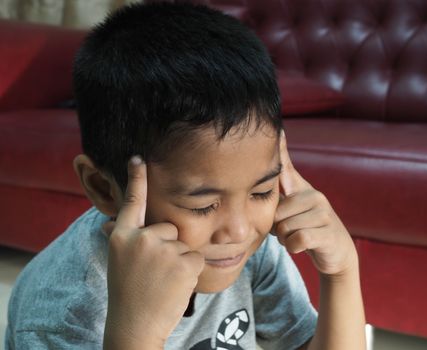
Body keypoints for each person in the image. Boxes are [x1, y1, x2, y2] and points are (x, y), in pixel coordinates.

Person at [5, 2, 366, 349]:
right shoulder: (61, 313)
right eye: (204, 205)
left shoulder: (249, 248)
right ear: (103, 188)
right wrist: (136, 334)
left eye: (261, 192)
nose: (240, 230)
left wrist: (342, 273)